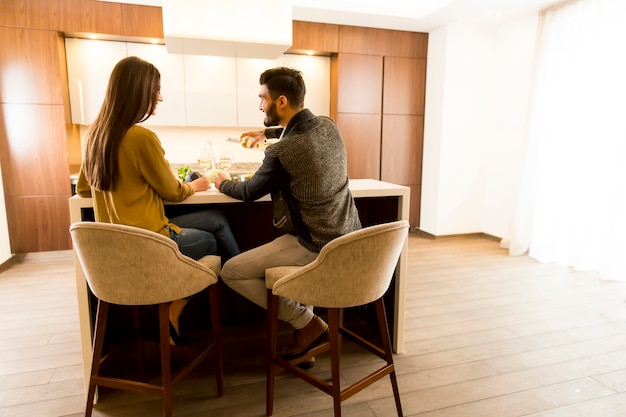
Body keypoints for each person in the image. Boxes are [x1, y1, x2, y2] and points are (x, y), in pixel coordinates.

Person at [76, 56, 240, 337]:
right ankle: (215, 297)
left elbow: (83, 188)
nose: (160, 98)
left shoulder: (97, 134)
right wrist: (197, 186)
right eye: (156, 91)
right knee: (213, 241)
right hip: (151, 243)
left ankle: (238, 280)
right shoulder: (141, 138)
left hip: (116, 248)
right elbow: (173, 191)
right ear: (140, 93)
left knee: (215, 218)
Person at [214, 67, 361, 359]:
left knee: (231, 272)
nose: (259, 105)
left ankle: (307, 324)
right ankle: (306, 334)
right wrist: (265, 132)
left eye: (263, 98)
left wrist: (222, 182)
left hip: (316, 247)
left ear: (281, 101)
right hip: (350, 241)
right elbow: (301, 129)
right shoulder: (328, 125)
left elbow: (247, 192)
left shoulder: (282, 152)